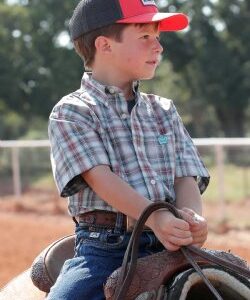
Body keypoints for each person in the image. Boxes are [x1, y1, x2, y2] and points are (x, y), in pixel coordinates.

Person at [47, 0, 210, 299]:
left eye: (158, 37)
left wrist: (190, 220)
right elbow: (100, 177)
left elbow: (185, 175)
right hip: (106, 247)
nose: (158, 47)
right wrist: (155, 218)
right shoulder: (73, 112)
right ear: (104, 45)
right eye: (145, 37)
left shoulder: (163, 110)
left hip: (171, 242)